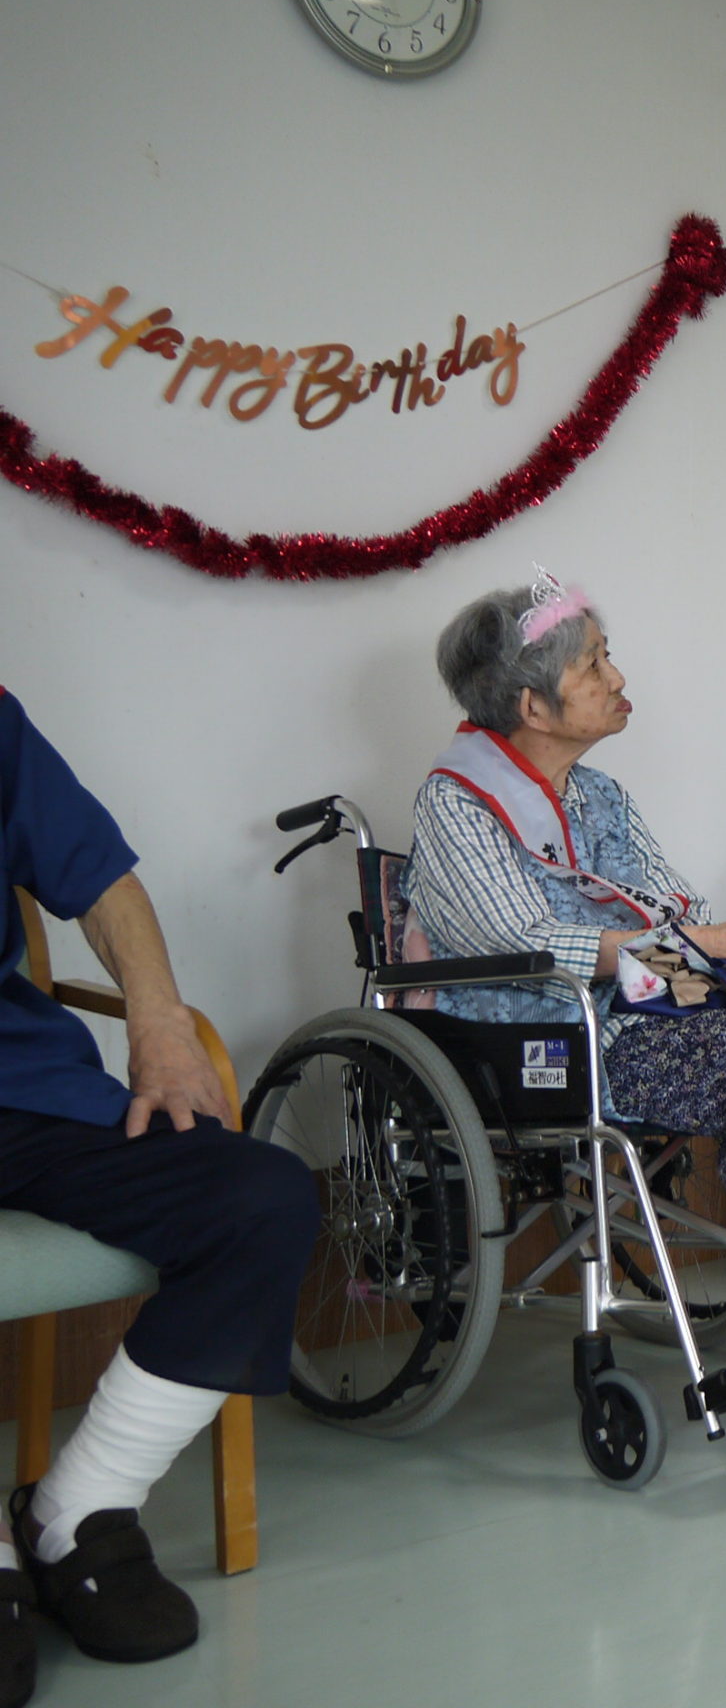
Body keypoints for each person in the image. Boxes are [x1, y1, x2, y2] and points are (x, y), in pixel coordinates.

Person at [403, 572, 726, 1381]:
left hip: (645, 1005)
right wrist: (700, 945)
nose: (616, 678)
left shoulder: (599, 796)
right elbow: (522, 940)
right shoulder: (456, 804)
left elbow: (678, 905)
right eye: (592, 665)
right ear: (532, 707)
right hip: (549, 1035)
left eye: (606, 657)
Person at [0, 688, 318, 1699]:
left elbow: (101, 881)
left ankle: (76, 1511)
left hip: (22, 1090)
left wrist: (160, 1023)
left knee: (259, 1198)